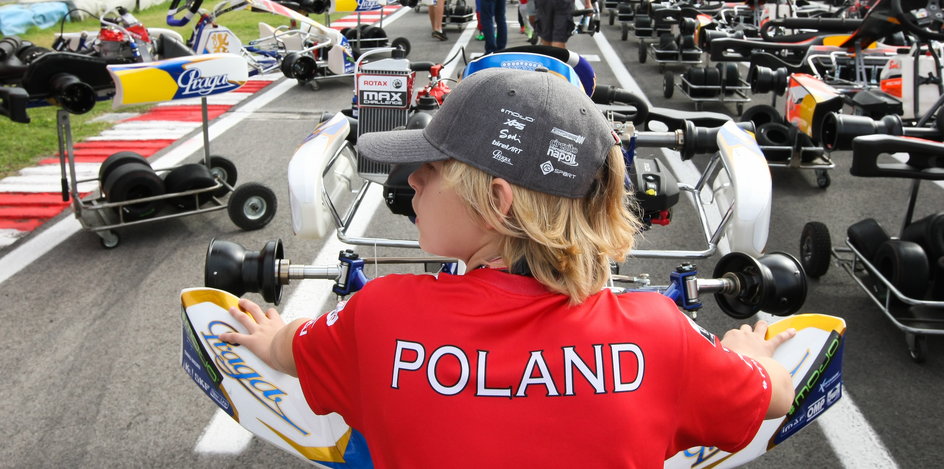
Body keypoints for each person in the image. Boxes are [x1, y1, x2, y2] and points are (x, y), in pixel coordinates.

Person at [219, 67, 796, 468]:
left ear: (498, 202)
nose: (412, 178)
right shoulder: (659, 335)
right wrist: (751, 357)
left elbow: (291, 350)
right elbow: (773, 398)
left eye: (432, 166)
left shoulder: (384, 313)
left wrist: (270, 334)